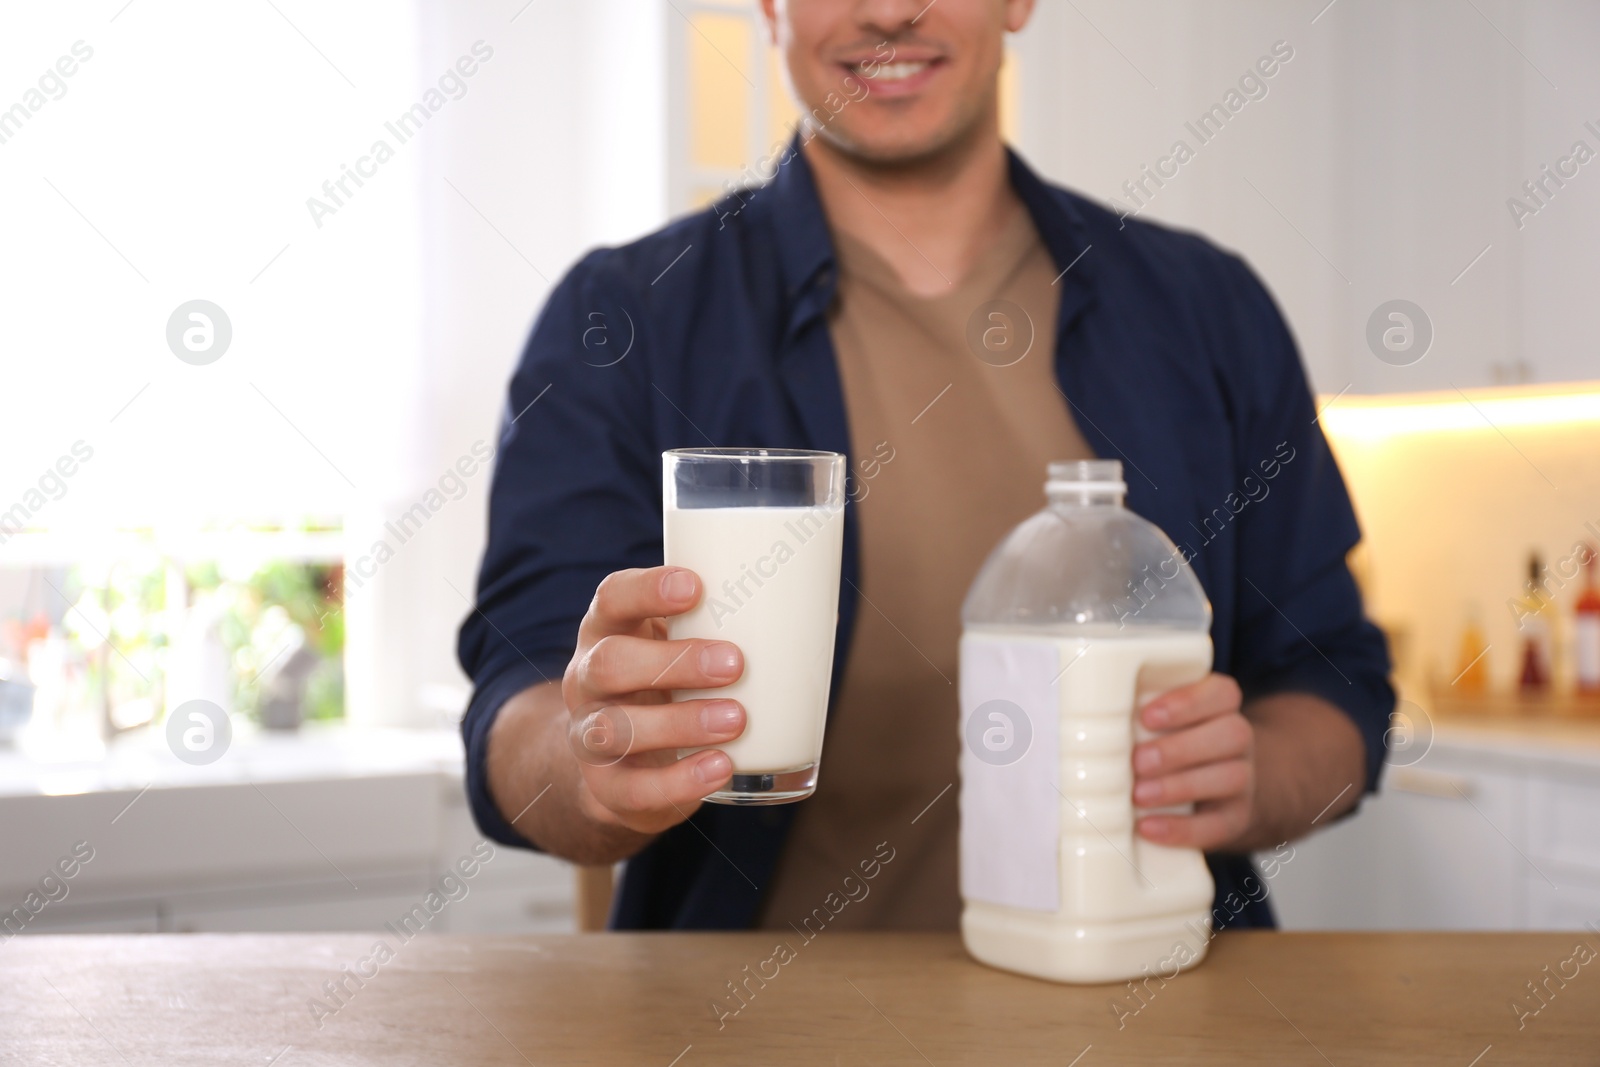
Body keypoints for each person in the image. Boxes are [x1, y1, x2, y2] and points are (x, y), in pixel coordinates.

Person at [457, 0, 1393, 931]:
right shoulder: (624, 320)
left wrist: (1254, 774)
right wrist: (587, 759)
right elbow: (520, 704)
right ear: (769, 8)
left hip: (1150, 1014)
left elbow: (1338, 682)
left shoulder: (1206, 310)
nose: (889, 10)